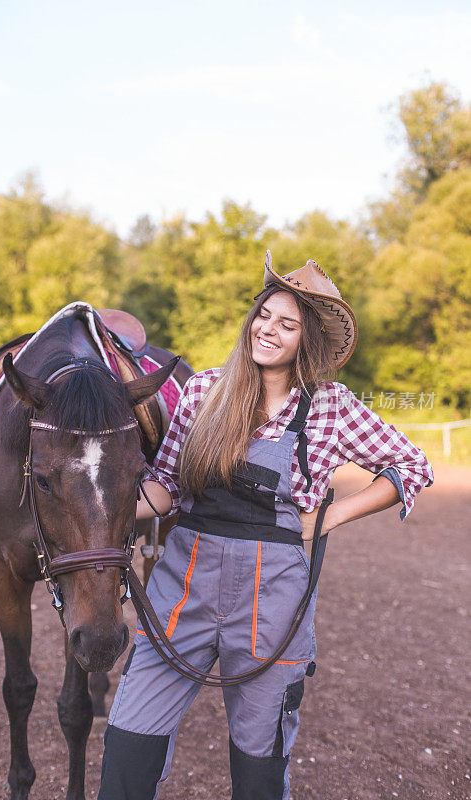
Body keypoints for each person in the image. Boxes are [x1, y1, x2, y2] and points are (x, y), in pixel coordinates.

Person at [98, 251, 434, 800]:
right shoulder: (205, 391)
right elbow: (166, 488)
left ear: (308, 341)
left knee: (259, 759)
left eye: (287, 324)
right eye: (263, 315)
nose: (268, 330)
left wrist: (324, 517)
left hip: (271, 600)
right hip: (183, 583)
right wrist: (99, 509)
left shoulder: (331, 407)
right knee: (130, 734)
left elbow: (412, 467)